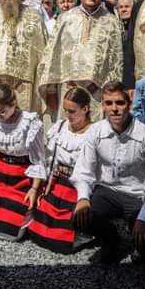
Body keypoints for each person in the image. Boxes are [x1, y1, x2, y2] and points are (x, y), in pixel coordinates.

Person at [73, 81, 145, 264]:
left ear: (129, 104)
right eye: (108, 103)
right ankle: (112, 240)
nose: (114, 109)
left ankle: (142, 242)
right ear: (103, 106)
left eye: (120, 102)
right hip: (107, 192)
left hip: (137, 196)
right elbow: (84, 170)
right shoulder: (95, 132)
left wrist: (143, 219)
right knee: (81, 217)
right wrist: (83, 198)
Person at [37, 0, 123, 122]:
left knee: (94, 132)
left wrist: (112, 96)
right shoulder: (65, 19)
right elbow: (51, 56)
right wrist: (51, 92)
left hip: (97, 94)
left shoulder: (112, 22)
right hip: (68, 90)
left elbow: (116, 62)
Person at [0, 83, 46, 241]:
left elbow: (38, 160)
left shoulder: (29, 123)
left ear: (14, 103)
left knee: (12, 229)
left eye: (2, 111)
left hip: (21, 176)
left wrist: (34, 189)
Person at [28, 86, 95, 254]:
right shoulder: (60, 127)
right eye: (65, 110)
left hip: (79, 188)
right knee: (37, 232)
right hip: (58, 184)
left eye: (72, 111)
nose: (67, 115)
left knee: (61, 241)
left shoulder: (94, 133)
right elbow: (51, 159)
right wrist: (45, 184)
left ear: (85, 109)